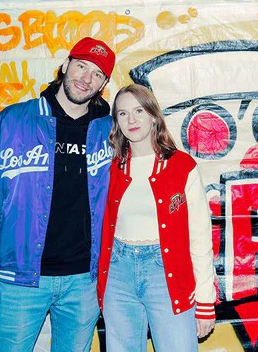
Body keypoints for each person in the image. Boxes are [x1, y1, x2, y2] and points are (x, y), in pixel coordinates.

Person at [0, 37, 116, 351]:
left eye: (97, 74)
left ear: (104, 84)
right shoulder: (12, 122)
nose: (86, 78)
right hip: (19, 278)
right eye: (81, 66)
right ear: (65, 65)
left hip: (85, 281)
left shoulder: (110, 131)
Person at [97, 84, 216, 351]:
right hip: (118, 273)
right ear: (116, 122)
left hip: (166, 273)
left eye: (139, 110)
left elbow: (200, 238)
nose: (132, 120)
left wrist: (206, 301)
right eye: (123, 113)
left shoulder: (182, 166)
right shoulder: (110, 168)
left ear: (153, 115)